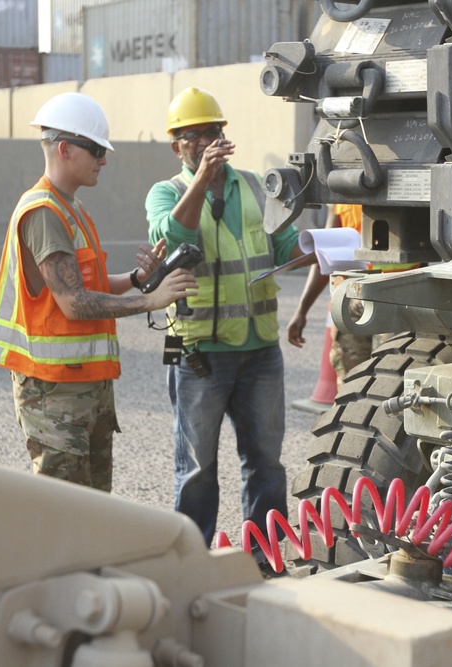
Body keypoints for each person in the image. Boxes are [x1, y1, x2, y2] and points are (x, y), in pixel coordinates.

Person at [0, 91, 197, 493]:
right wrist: (152, 300)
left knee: (95, 508)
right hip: (55, 395)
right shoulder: (45, 212)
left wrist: (136, 279)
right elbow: (74, 302)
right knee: (67, 513)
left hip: (83, 391)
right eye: (97, 149)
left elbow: (87, 286)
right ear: (65, 148)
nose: (104, 159)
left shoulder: (71, 208)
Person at [144, 86, 306, 547]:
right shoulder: (165, 192)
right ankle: (192, 560)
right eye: (192, 136)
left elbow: (284, 246)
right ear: (176, 145)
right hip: (200, 354)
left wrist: (326, 251)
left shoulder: (254, 186)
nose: (204, 142)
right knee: (196, 468)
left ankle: (265, 554)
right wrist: (202, 180)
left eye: (212, 131)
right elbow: (174, 233)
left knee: (267, 461)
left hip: (260, 351)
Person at [286, 203, 373, 387]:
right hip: (350, 304)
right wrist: (302, 310)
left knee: (394, 382)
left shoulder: (408, 182)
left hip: (395, 302)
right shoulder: (341, 191)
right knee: (350, 386)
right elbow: (326, 255)